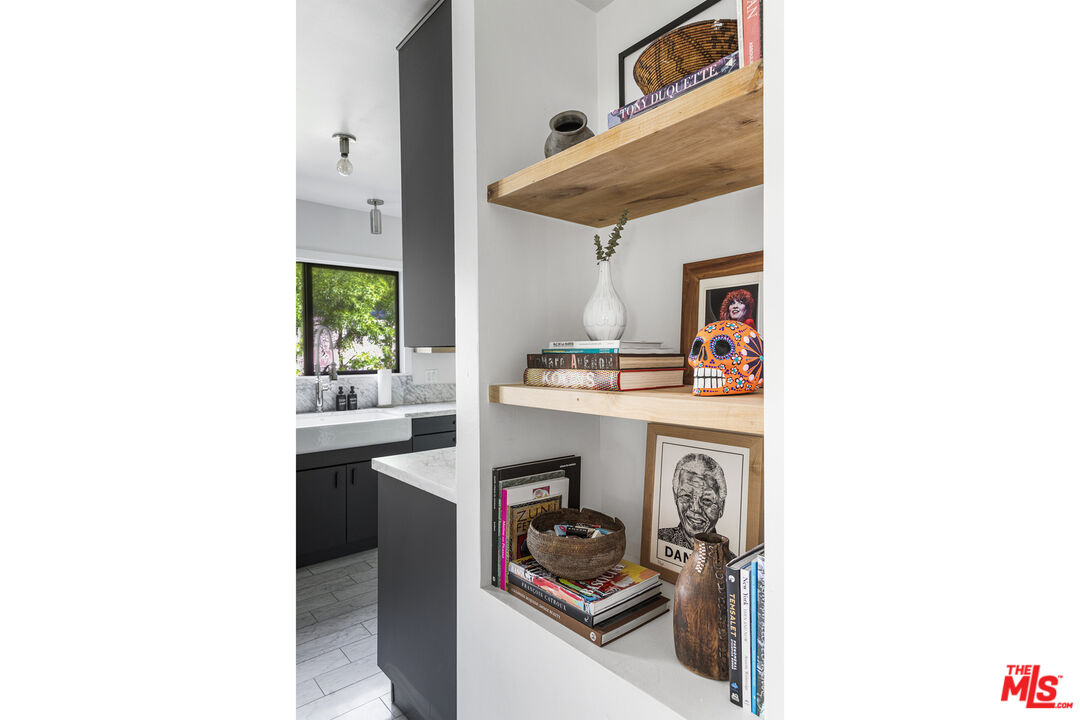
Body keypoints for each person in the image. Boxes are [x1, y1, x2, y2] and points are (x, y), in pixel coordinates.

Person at [657, 453, 727, 549]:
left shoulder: (732, 562)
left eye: (706, 500)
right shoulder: (659, 539)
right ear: (675, 497)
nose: (695, 508)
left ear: (721, 507)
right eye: (686, 496)